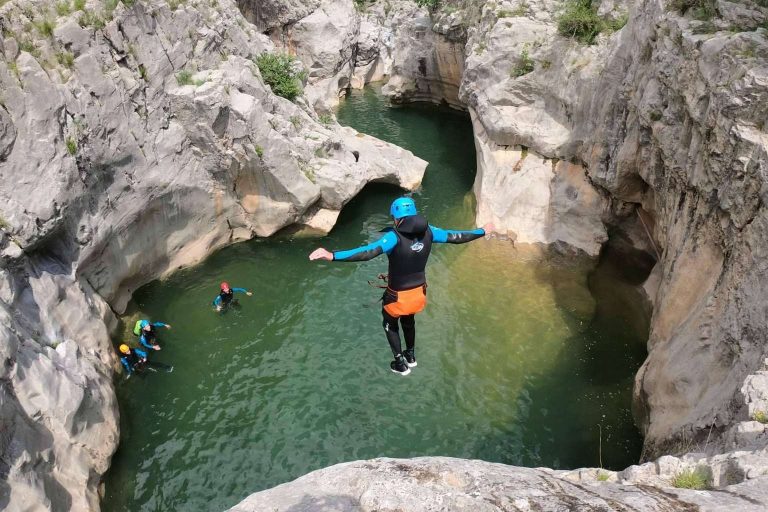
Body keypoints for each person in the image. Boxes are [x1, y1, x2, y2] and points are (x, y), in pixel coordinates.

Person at [309, 197, 491, 375]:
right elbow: (456, 236)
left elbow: (368, 252)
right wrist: (482, 231)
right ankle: (411, 355)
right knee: (408, 320)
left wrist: (332, 255)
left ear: (396, 218)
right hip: (419, 293)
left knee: (390, 324)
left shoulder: (393, 237)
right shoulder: (429, 231)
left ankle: (400, 363)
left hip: (396, 297)